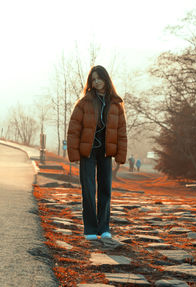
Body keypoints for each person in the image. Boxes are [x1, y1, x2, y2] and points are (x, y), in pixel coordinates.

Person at [67, 65, 127, 240]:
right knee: (88, 189)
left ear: (106, 79)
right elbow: (73, 129)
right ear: (90, 82)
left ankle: (104, 227)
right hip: (88, 151)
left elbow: (122, 131)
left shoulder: (116, 103)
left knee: (105, 189)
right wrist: (74, 154)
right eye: (93, 79)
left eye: (99, 78)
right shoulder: (84, 102)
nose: (97, 81)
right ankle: (91, 229)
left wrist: (120, 155)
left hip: (106, 152)